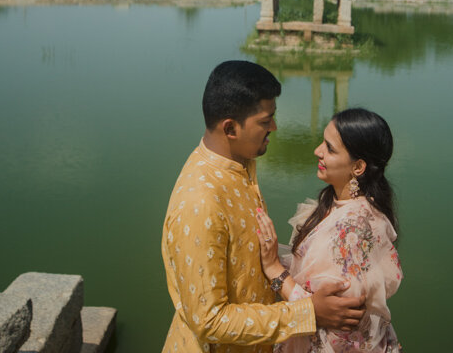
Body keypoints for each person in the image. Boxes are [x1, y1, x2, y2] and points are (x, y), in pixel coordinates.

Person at [161, 60, 366, 353]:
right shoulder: (200, 203)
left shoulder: (238, 165)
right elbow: (208, 321)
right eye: (264, 121)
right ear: (230, 128)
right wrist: (308, 312)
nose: (274, 127)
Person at [255, 108, 403, 353]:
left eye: (330, 148)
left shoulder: (352, 229)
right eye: (323, 142)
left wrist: (274, 270)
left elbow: (334, 317)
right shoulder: (347, 204)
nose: (317, 151)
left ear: (358, 167)